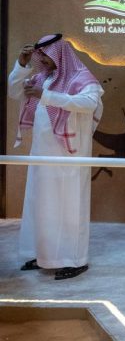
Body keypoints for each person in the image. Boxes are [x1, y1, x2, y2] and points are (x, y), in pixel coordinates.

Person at [7, 34, 104, 280]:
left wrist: (46, 96)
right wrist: (21, 64)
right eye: (39, 55)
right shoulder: (43, 78)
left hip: (69, 156)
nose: (42, 59)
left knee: (69, 206)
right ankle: (42, 254)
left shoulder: (81, 78)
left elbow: (88, 103)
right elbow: (14, 92)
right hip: (42, 156)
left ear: (59, 53)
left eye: (45, 55)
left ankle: (74, 259)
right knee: (40, 205)